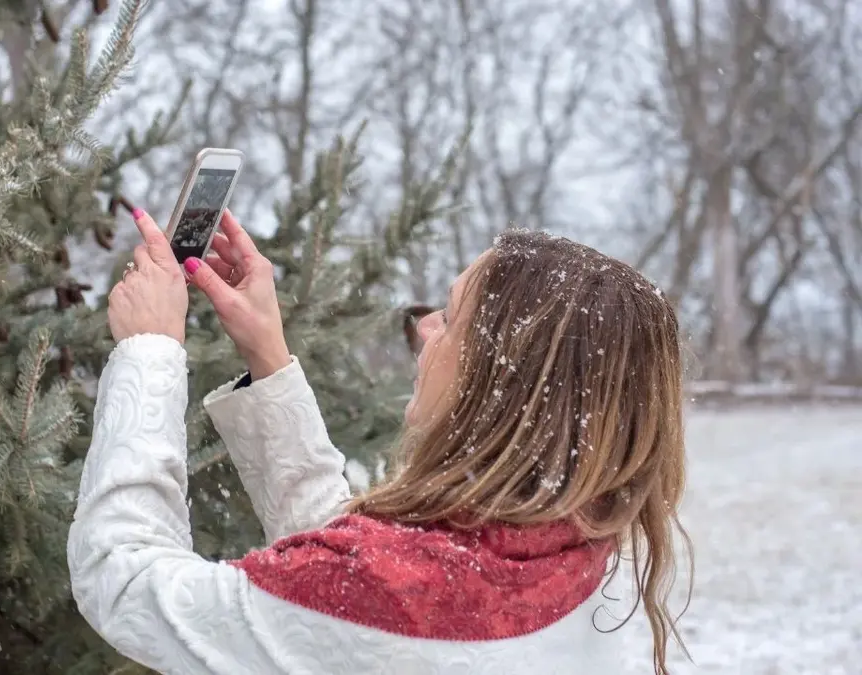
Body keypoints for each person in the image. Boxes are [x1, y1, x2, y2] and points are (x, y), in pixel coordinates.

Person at [67, 208, 690, 675]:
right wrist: (266, 354)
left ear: (502, 380)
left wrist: (148, 353)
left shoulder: (397, 600)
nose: (423, 328)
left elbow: (124, 581)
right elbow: (357, 595)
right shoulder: (579, 552)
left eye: (449, 316)